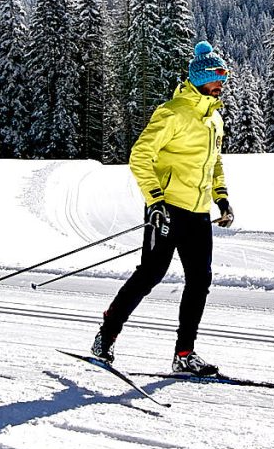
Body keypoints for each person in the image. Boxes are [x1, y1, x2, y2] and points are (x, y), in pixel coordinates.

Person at [91, 40, 236, 377]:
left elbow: (215, 163)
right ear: (200, 79)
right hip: (167, 209)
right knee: (151, 275)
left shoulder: (214, 120)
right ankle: (107, 334)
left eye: (223, 80)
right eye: (217, 79)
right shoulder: (172, 113)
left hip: (198, 212)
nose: (221, 86)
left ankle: (184, 354)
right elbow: (140, 156)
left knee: (200, 280)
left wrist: (222, 197)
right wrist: (155, 200)